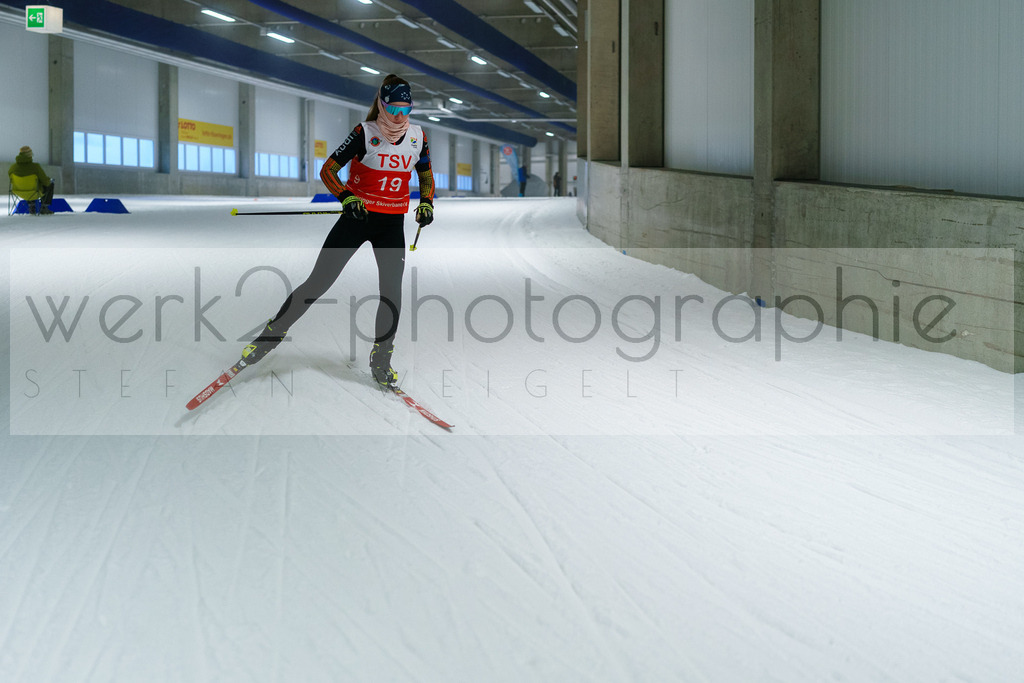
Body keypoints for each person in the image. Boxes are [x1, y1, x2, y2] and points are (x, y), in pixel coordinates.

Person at [240, 74, 435, 388]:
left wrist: (426, 203)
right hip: (357, 218)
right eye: (394, 109)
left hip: (391, 224)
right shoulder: (365, 132)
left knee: (392, 293)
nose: (400, 117)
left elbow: (425, 175)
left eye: (405, 109)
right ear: (382, 105)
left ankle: (381, 357)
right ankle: (269, 337)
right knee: (318, 282)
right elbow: (328, 169)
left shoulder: (418, 136)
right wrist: (347, 197)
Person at [8, 145, 54, 215]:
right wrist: (49, 181)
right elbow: (45, 181)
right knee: (49, 183)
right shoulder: (35, 167)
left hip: (18, 192)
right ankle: (44, 207)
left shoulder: (13, 168)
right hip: (34, 192)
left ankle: (31, 207)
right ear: (30, 155)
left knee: (27, 185)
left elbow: (11, 180)